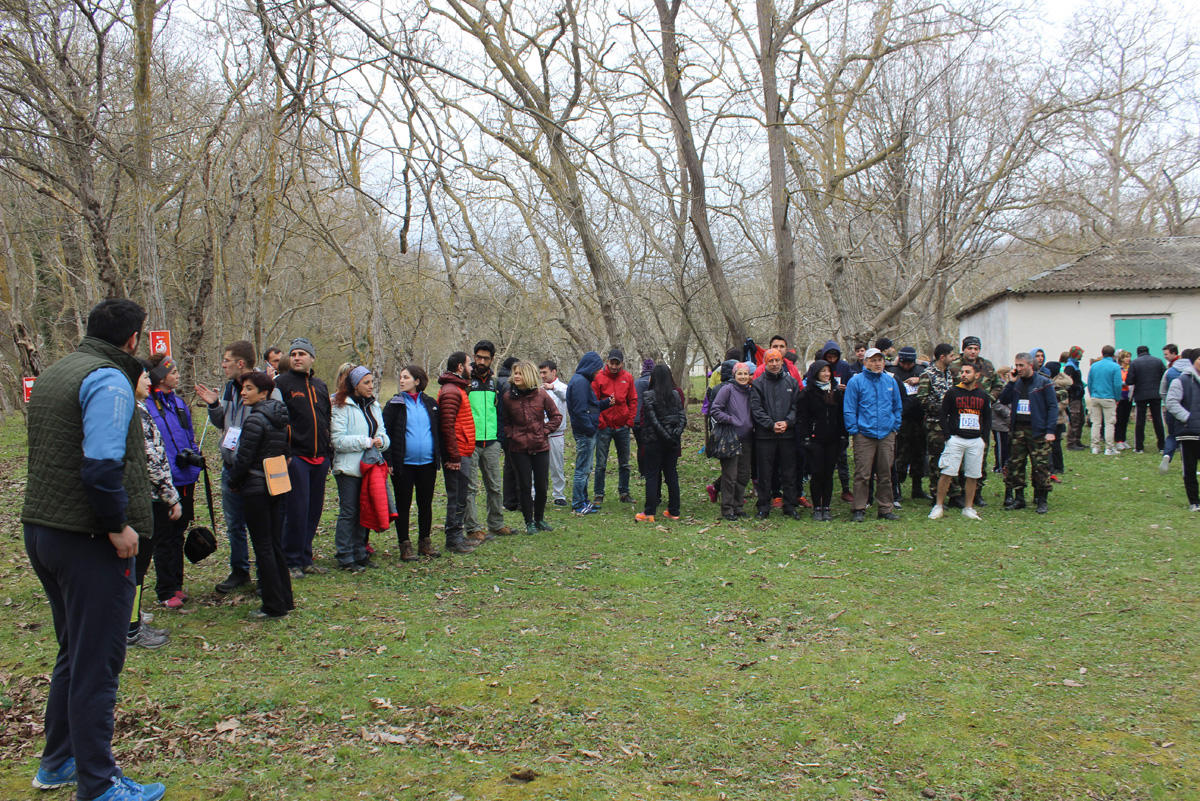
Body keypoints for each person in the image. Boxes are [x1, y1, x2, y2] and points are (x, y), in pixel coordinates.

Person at [22, 298, 167, 801]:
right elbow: (102, 463)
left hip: (45, 530)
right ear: (133, 339)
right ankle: (99, 785)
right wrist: (117, 526)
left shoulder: (58, 372)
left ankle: (59, 762)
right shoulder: (109, 380)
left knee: (75, 653)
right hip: (87, 538)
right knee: (98, 663)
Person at [195, 340, 281, 595]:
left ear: (240, 363)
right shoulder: (230, 389)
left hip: (255, 471)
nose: (223, 365)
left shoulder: (266, 387)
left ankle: (266, 577)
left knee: (261, 527)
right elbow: (223, 423)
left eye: (226, 360)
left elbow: (278, 422)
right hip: (230, 467)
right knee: (234, 524)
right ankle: (239, 570)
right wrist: (213, 405)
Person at [227, 371, 295, 618]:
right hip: (275, 485)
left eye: (249, 388)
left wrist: (234, 481)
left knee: (263, 546)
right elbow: (286, 452)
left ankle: (273, 605)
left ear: (263, 393)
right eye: (243, 388)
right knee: (274, 543)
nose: (243, 393)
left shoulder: (255, 420)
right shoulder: (279, 418)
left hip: (256, 488)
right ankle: (285, 598)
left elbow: (244, 458)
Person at [143, 353, 202, 609]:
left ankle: (176, 584)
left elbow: (189, 436)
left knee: (179, 533)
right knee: (164, 536)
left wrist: (195, 460)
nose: (177, 376)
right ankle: (165, 590)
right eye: (172, 372)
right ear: (160, 376)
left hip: (186, 478)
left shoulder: (178, 404)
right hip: (164, 482)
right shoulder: (146, 406)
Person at [129, 365, 179, 650]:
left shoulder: (140, 408)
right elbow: (150, 459)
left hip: (150, 495)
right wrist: (169, 495)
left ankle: (132, 614)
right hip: (145, 497)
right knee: (136, 565)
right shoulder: (133, 413)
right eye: (145, 377)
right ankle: (131, 626)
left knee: (139, 564)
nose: (150, 381)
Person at [276, 337, 333, 579]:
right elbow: (277, 422)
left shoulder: (320, 386)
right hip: (295, 457)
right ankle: (290, 561)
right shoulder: (281, 384)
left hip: (320, 457)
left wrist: (328, 452)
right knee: (296, 511)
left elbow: (326, 419)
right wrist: (286, 452)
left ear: (312, 358)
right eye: (293, 354)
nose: (297, 358)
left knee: (313, 510)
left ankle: (306, 557)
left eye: (302, 354)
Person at [331, 366, 390, 571]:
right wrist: (366, 441)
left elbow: (382, 433)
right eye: (366, 382)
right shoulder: (341, 405)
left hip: (370, 467)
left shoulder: (374, 405)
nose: (371, 386)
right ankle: (345, 555)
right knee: (349, 511)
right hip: (348, 468)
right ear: (355, 385)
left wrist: (381, 442)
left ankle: (360, 551)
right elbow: (338, 440)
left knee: (365, 509)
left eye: (372, 382)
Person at [383, 365, 441, 561]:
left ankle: (425, 542)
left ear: (417, 381)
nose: (401, 380)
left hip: (427, 464)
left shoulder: (430, 403)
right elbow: (385, 433)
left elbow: (438, 431)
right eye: (400, 377)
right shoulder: (394, 405)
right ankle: (405, 545)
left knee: (425, 504)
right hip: (403, 465)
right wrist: (388, 460)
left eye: (406, 377)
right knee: (403, 504)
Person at [501, 360, 562, 533]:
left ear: (528, 375)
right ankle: (529, 522)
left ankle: (540, 519)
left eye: (520, 373)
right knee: (525, 486)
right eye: (515, 373)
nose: (516, 376)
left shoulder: (541, 394)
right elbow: (505, 422)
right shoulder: (508, 397)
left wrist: (544, 431)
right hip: (518, 449)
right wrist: (512, 435)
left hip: (540, 446)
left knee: (542, 486)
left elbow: (556, 416)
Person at [844, 347, 903, 522]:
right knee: (862, 474)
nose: (877, 363)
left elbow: (897, 406)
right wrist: (854, 430)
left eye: (880, 360)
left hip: (886, 433)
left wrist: (894, 426)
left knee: (885, 473)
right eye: (873, 360)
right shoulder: (856, 381)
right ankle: (859, 508)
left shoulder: (890, 381)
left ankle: (885, 508)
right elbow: (849, 408)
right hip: (864, 434)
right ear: (865, 362)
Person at [929, 362, 992, 521]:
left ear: (977, 375)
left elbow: (987, 418)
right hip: (956, 439)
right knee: (947, 473)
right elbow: (943, 414)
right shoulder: (953, 393)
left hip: (975, 440)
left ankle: (968, 507)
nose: (963, 374)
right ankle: (938, 506)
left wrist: (984, 438)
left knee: (973, 475)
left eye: (968, 372)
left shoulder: (983, 395)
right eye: (962, 372)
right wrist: (948, 435)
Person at [999, 352, 1058, 514]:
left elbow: (1053, 406)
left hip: (1037, 430)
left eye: (1021, 366)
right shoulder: (1016, 383)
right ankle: (1019, 498)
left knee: (1040, 466)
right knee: (1016, 464)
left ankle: (1041, 498)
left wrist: (1050, 430)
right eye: (1016, 365)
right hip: (1018, 430)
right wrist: (1011, 383)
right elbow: (1003, 399)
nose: (1018, 369)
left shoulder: (1044, 383)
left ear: (1030, 366)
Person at [464, 340, 509, 540]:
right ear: (474, 357)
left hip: (491, 441)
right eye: (478, 357)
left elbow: (500, 412)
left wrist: (499, 438)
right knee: (470, 488)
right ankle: (472, 527)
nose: (481, 361)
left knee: (495, 486)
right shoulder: (466, 382)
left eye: (486, 358)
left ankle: (496, 524)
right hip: (470, 442)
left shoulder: (495, 383)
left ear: (492, 360)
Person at [950, 336, 1002, 506]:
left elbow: (998, 385)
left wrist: (988, 400)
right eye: (970, 348)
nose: (973, 352)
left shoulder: (987, 366)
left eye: (976, 349)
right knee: (958, 454)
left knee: (980, 453)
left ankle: (976, 492)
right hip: (960, 414)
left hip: (980, 416)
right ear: (963, 349)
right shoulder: (954, 366)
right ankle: (957, 493)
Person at [750, 348, 800, 519]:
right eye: (770, 361)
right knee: (765, 473)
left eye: (777, 360)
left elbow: (796, 407)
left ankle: (790, 505)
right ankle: (763, 506)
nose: (774, 364)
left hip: (787, 435)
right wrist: (771, 425)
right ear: (765, 363)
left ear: (781, 361)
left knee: (789, 472)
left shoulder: (791, 382)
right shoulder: (758, 383)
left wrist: (787, 422)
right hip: (765, 436)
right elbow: (756, 409)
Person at [437, 352, 478, 553]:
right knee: (456, 497)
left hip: (463, 450)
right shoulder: (451, 391)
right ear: (460, 367)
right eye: (469, 365)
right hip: (458, 453)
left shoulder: (458, 388)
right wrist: (453, 456)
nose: (472, 368)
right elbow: (447, 426)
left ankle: (458, 535)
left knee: (461, 496)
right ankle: (453, 539)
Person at [796, 361, 846, 521]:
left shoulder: (836, 392)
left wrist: (843, 435)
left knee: (829, 473)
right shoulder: (807, 393)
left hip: (833, 439)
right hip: (814, 439)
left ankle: (827, 506)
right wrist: (805, 438)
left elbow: (841, 416)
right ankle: (817, 506)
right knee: (817, 473)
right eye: (823, 371)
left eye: (828, 371)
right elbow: (802, 418)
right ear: (816, 373)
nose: (826, 374)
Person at [636, 364, 686, 522]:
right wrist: (675, 435)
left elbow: (653, 421)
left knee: (652, 475)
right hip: (671, 442)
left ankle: (649, 512)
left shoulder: (648, 396)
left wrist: (668, 436)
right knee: (671, 475)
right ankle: (674, 511)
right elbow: (682, 418)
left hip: (654, 442)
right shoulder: (675, 395)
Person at [592, 348, 637, 506]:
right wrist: (600, 422)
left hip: (622, 426)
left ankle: (624, 492)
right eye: (612, 363)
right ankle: (598, 494)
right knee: (601, 463)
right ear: (607, 362)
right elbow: (593, 402)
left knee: (624, 463)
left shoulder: (628, 378)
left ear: (622, 364)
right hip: (604, 426)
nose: (614, 366)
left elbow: (633, 400)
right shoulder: (598, 377)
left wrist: (629, 420)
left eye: (617, 363)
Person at [709, 362, 754, 521]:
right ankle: (727, 508)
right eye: (739, 373)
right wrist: (730, 419)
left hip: (747, 438)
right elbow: (715, 409)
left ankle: (738, 506)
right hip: (730, 437)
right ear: (734, 375)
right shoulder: (727, 389)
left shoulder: (750, 391)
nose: (743, 376)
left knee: (744, 474)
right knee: (730, 475)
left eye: (745, 374)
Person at [568, 351, 609, 515]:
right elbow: (580, 410)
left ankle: (584, 500)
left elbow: (591, 406)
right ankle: (578, 503)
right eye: (597, 369)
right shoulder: (580, 382)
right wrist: (590, 428)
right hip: (585, 432)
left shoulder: (583, 381)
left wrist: (606, 403)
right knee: (582, 469)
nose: (599, 372)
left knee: (587, 468)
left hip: (587, 431)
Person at [918, 344, 958, 505]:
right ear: (942, 357)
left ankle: (954, 494)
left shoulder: (950, 374)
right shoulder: (927, 374)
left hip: (951, 424)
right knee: (936, 460)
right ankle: (936, 494)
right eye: (951, 355)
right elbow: (922, 399)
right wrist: (942, 409)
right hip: (935, 425)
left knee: (953, 457)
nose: (953, 358)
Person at [1164, 348, 1200, 512]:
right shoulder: (1182, 380)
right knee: (1190, 469)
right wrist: (1188, 418)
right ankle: (1194, 502)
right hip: (1189, 433)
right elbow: (1171, 402)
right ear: (1193, 361)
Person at [891, 346, 928, 501]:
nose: (906, 366)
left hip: (919, 419)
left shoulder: (922, 371)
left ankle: (917, 488)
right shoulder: (892, 372)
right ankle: (897, 488)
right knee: (900, 454)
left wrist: (919, 380)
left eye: (910, 363)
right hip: (902, 419)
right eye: (904, 363)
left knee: (919, 454)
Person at [538, 360, 570, 505]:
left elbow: (567, 396)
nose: (542, 376)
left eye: (545, 372)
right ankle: (535, 495)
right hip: (540, 433)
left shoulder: (562, 387)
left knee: (557, 466)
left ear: (553, 371)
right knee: (538, 467)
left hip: (556, 433)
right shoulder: (538, 389)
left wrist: (553, 388)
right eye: (540, 373)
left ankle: (559, 495)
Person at [1126, 344, 1167, 453]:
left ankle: (1139, 447)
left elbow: (1129, 380)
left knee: (1140, 421)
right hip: (1155, 394)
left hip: (1140, 395)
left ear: (1138, 353)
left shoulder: (1134, 363)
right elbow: (1164, 377)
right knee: (1158, 420)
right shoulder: (1158, 361)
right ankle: (1162, 446)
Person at [1086, 345, 1123, 456]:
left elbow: (1089, 382)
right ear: (1113, 355)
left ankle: (1095, 446)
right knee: (1109, 423)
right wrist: (1117, 397)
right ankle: (1109, 447)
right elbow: (1117, 384)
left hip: (1095, 396)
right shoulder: (1115, 367)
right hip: (1109, 397)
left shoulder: (1094, 366)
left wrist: (1092, 394)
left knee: (1096, 423)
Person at [1160, 345, 1184, 473]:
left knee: (1172, 435)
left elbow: (1162, 391)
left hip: (1172, 408)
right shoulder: (1194, 372)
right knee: (1190, 437)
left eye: (1166, 354)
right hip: (1189, 409)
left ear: (1174, 353)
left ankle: (1167, 455)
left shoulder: (1169, 371)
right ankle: (1187, 463)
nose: (1165, 357)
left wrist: (1168, 403)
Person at [1062, 346, 1087, 450]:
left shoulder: (1075, 365)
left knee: (1081, 419)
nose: (1082, 356)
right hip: (1073, 397)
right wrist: (1075, 388)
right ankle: (1071, 443)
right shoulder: (1070, 366)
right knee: (1074, 419)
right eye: (1081, 354)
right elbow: (1066, 381)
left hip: (1078, 397)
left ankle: (1077, 440)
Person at [1113, 350, 1133, 450]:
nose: (1128, 359)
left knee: (1125, 418)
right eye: (1126, 357)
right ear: (1121, 359)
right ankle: (1118, 440)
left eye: (1129, 357)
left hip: (1129, 396)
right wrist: (1124, 383)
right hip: (1120, 395)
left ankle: (1123, 439)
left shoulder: (1130, 369)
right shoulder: (1118, 369)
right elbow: (1117, 381)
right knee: (1119, 419)